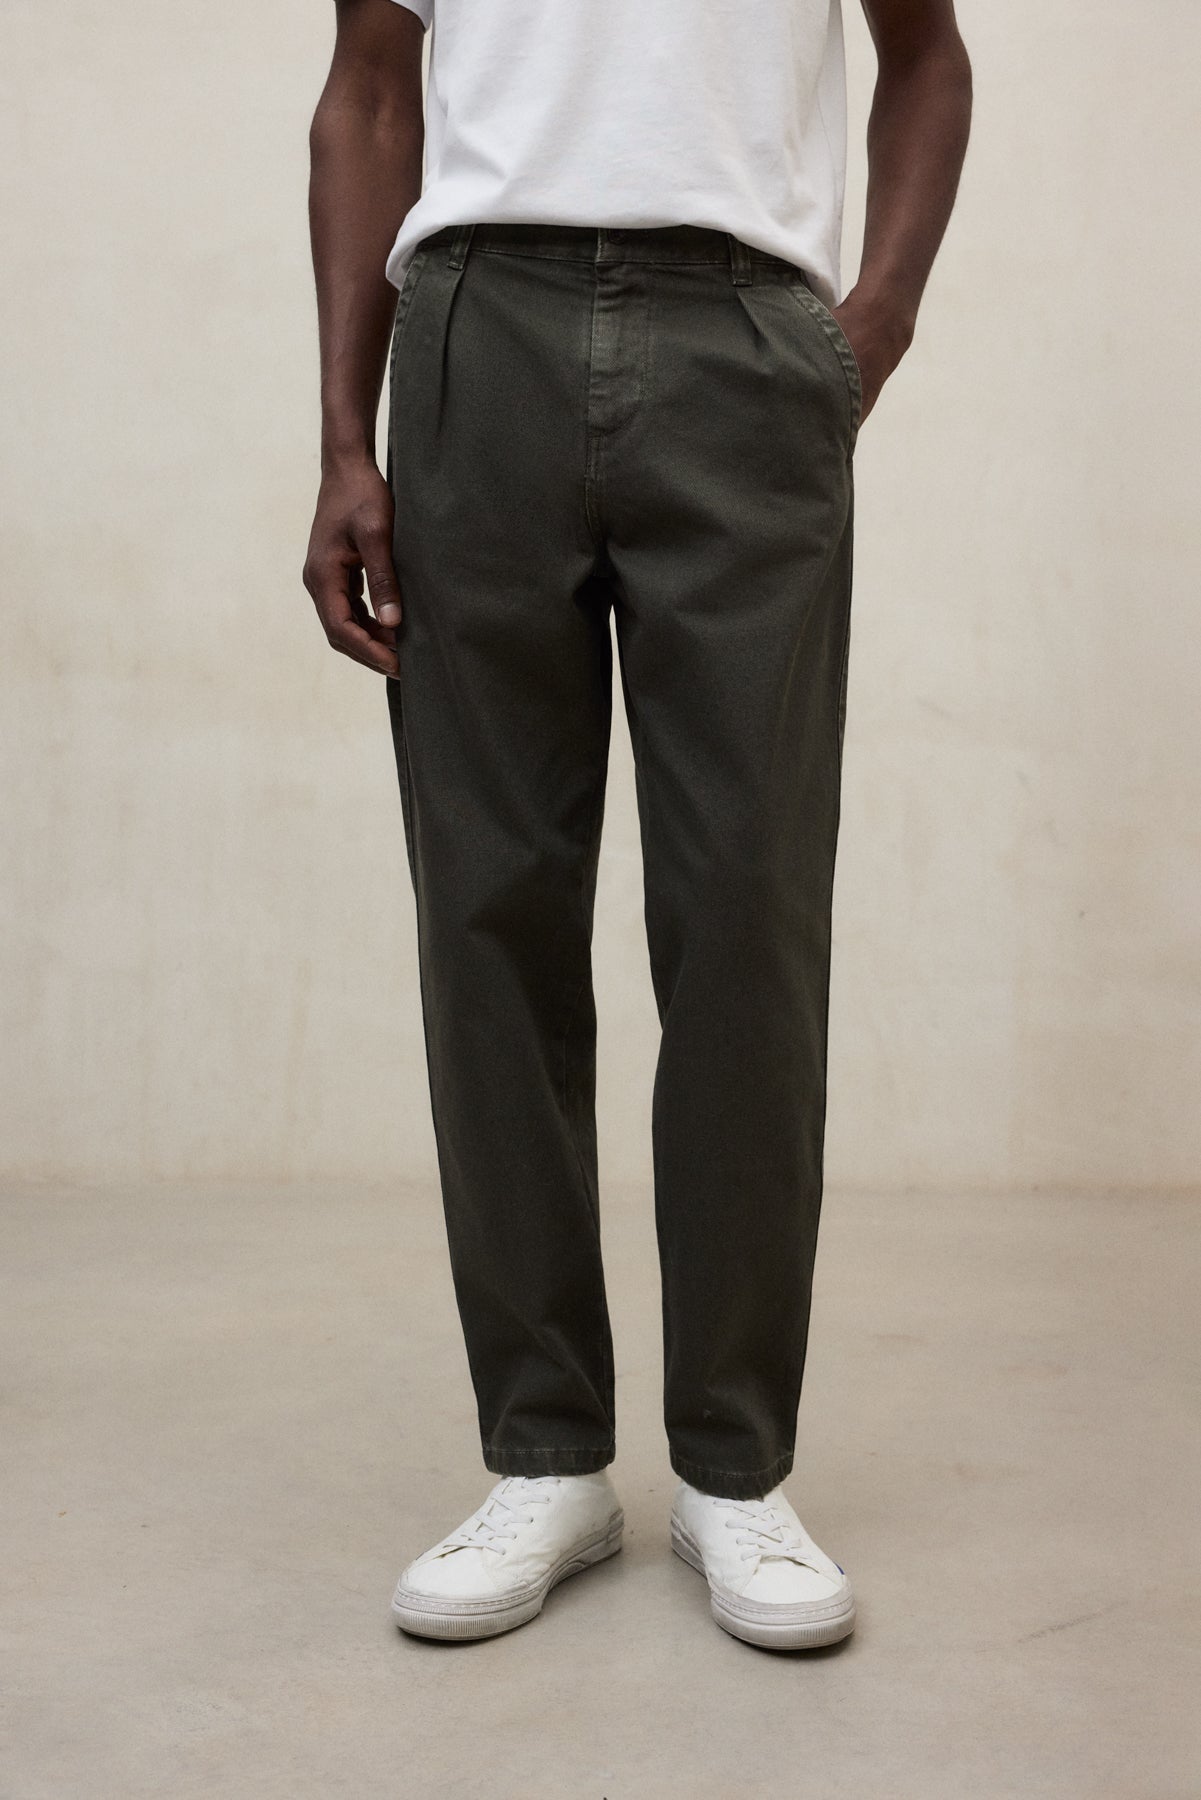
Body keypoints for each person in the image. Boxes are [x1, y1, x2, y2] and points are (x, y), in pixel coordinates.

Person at [303, 0, 971, 1649]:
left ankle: (734, 1469)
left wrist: (870, 325)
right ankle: (545, 1458)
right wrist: (342, 438)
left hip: (745, 336)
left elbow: (927, 57)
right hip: (476, 332)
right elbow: (368, 93)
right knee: (490, 916)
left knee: (746, 917)